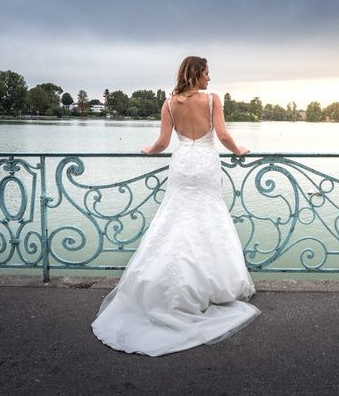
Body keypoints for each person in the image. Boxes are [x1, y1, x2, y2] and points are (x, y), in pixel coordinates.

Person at [91, 56, 259, 356]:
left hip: (182, 165)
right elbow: (221, 135)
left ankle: (164, 282)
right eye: (207, 73)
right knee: (209, 216)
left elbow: (163, 142)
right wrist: (240, 149)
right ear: (196, 75)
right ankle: (213, 284)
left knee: (175, 217)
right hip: (206, 164)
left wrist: (148, 150)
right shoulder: (212, 101)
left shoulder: (169, 104)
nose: (210, 78)